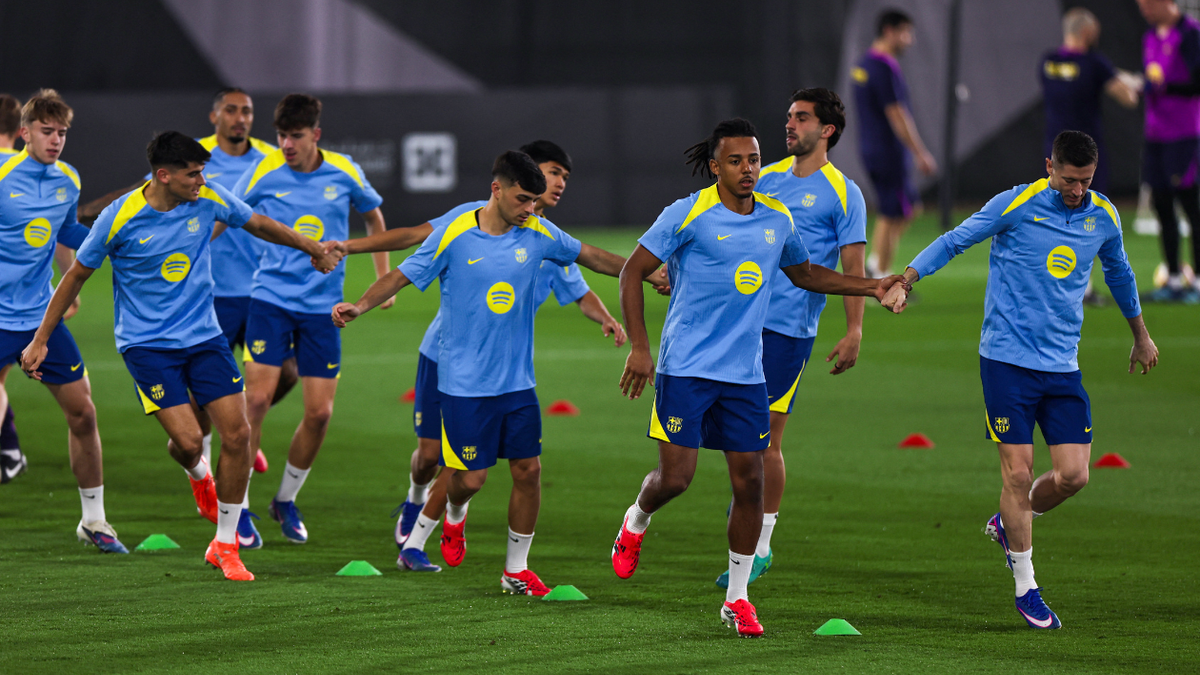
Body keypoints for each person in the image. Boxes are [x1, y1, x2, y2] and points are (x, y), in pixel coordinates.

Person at [610, 118, 905, 638]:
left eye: (753, 159)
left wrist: (871, 286)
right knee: (676, 479)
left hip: (746, 375)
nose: (748, 170)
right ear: (714, 166)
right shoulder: (688, 214)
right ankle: (636, 517)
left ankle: (738, 598)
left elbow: (806, 274)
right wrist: (640, 346)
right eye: (736, 161)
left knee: (751, 483)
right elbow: (632, 270)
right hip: (686, 369)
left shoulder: (776, 217)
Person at [22, 131, 343, 580]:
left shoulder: (208, 196)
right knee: (191, 442)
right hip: (147, 346)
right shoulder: (120, 218)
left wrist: (312, 247)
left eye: (203, 172)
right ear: (163, 175)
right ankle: (198, 475)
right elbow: (75, 276)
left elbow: (257, 223)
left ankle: (226, 545)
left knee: (238, 435)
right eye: (193, 173)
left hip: (204, 338)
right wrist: (41, 339)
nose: (202, 180)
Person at [881, 131, 1158, 629]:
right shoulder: (1016, 203)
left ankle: (1011, 523)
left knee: (1074, 476)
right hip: (1006, 361)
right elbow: (955, 239)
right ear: (1049, 165)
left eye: (1086, 182)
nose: (1077, 191)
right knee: (1017, 473)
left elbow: (1119, 272)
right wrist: (907, 278)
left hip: (1062, 365)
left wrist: (1140, 334)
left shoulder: (1104, 216)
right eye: (1069, 180)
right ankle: (1027, 586)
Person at [333, 150, 635, 595]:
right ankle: (449, 516)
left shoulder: (537, 231)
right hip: (463, 383)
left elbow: (590, 257)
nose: (531, 209)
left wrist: (645, 273)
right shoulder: (455, 234)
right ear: (497, 189)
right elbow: (400, 275)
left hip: (517, 383)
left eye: (536, 200)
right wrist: (359, 305)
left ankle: (516, 569)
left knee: (528, 471)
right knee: (469, 477)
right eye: (523, 199)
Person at [712, 89, 868, 590]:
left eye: (801, 118)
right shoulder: (768, 177)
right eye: (788, 116)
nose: (790, 124)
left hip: (788, 331)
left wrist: (854, 329)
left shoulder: (843, 193)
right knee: (736, 440)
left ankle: (759, 545)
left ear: (827, 130)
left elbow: (852, 268)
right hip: (739, 321)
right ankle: (747, 540)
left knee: (764, 441)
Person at [235, 93, 391, 545]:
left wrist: (380, 283)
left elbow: (373, 214)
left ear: (315, 135)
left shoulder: (343, 171)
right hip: (269, 299)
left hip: (322, 307)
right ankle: (238, 506)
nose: (286, 144)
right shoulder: (264, 169)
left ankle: (284, 500)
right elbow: (230, 212)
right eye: (281, 135)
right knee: (257, 400)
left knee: (320, 413)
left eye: (296, 136)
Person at [0, 90, 126, 551]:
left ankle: (94, 520)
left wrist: (112, 239)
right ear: (24, 133)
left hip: (39, 320)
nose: (55, 141)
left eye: (62, 133)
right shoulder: (1, 176)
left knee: (83, 412)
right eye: (47, 132)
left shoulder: (67, 180)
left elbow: (66, 231)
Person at [1041, 8, 1142, 306]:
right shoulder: (1095, 63)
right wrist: (1127, 79)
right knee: (1087, 217)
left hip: (1054, 154)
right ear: (1087, 32)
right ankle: (1082, 287)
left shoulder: (1048, 61)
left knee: (1052, 216)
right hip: (1085, 157)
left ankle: (1052, 282)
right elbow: (1129, 98)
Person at [851, 8, 937, 278]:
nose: (909, 40)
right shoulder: (883, 67)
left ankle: (875, 265)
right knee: (893, 212)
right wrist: (920, 153)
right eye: (906, 33)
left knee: (908, 208)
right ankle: (880, 276)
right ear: (890, 31)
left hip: (874, 149)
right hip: (887, 152)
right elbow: (897, 114)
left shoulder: (863, 65)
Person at [1138, 0, 1200, 302]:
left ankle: (1198, 281)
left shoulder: (1191, 34)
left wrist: (1163, 86)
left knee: (1191, 205)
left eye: (1149, 4)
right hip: (1155, 135)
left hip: (1184, 134)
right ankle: (1174, 278)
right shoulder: (1149, 36)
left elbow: (1196, 82)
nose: (1144, 10)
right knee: (1162, 205)